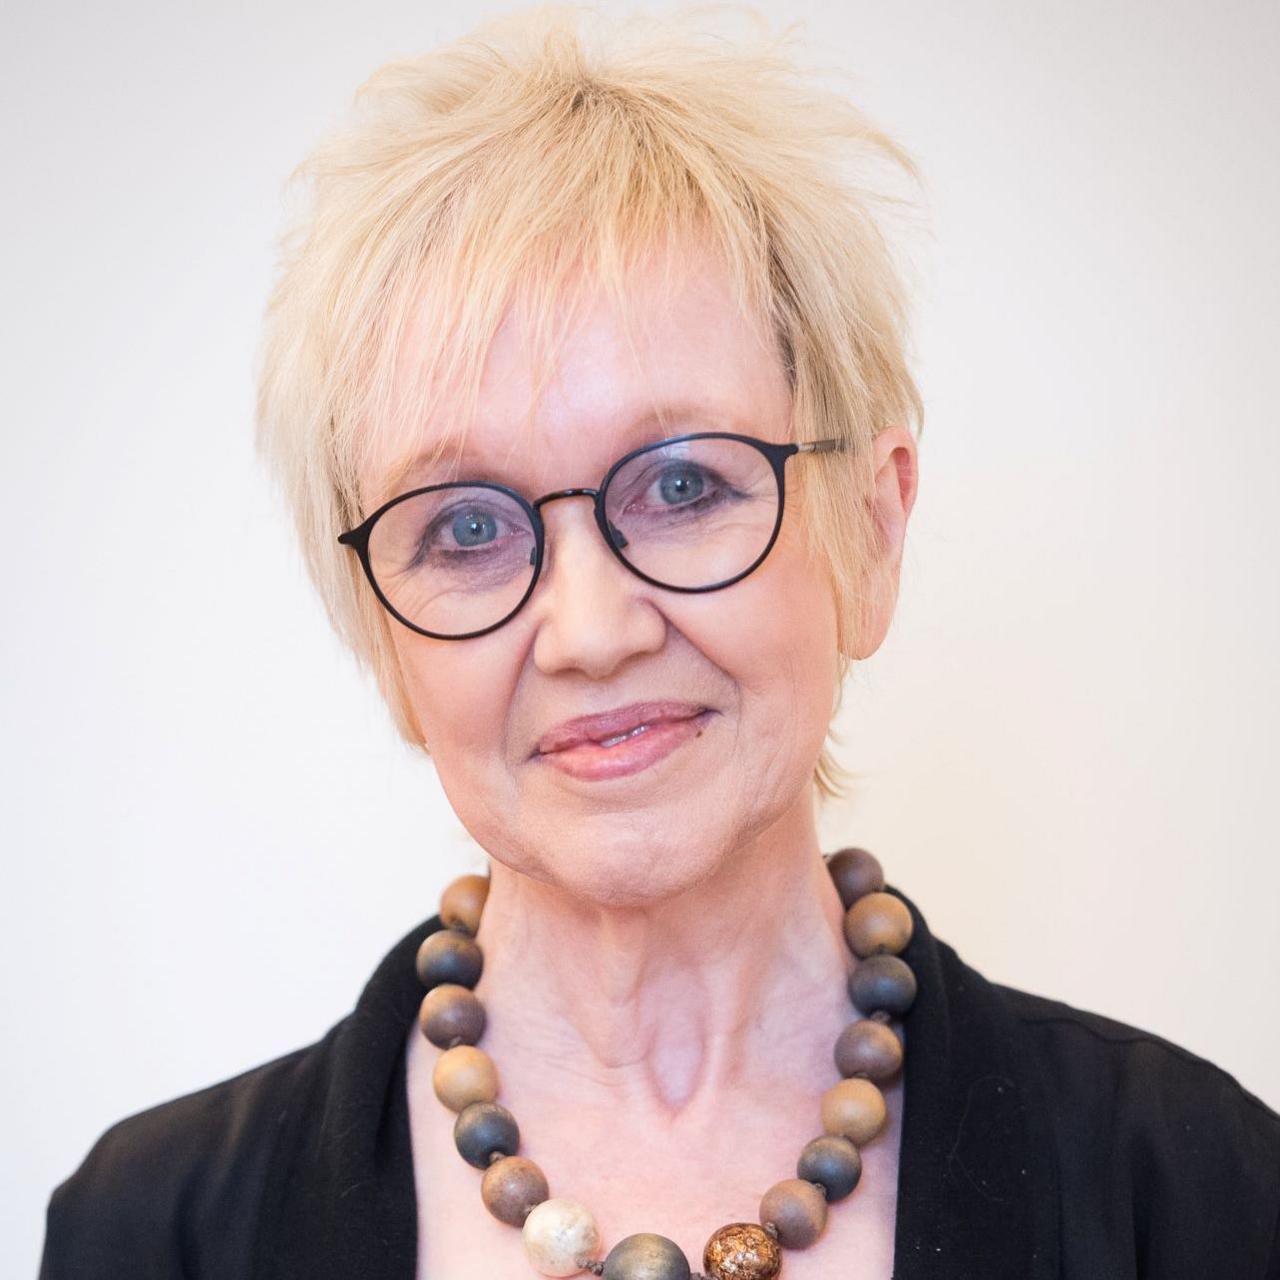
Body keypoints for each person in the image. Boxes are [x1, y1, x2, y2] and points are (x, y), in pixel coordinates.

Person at [38, 6, 1280, 1279]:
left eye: (681, 485)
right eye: (466, 526)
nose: (587, 630)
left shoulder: (1199, 1197)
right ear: (381, 632)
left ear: (870, 529)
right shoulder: (149, 1231)